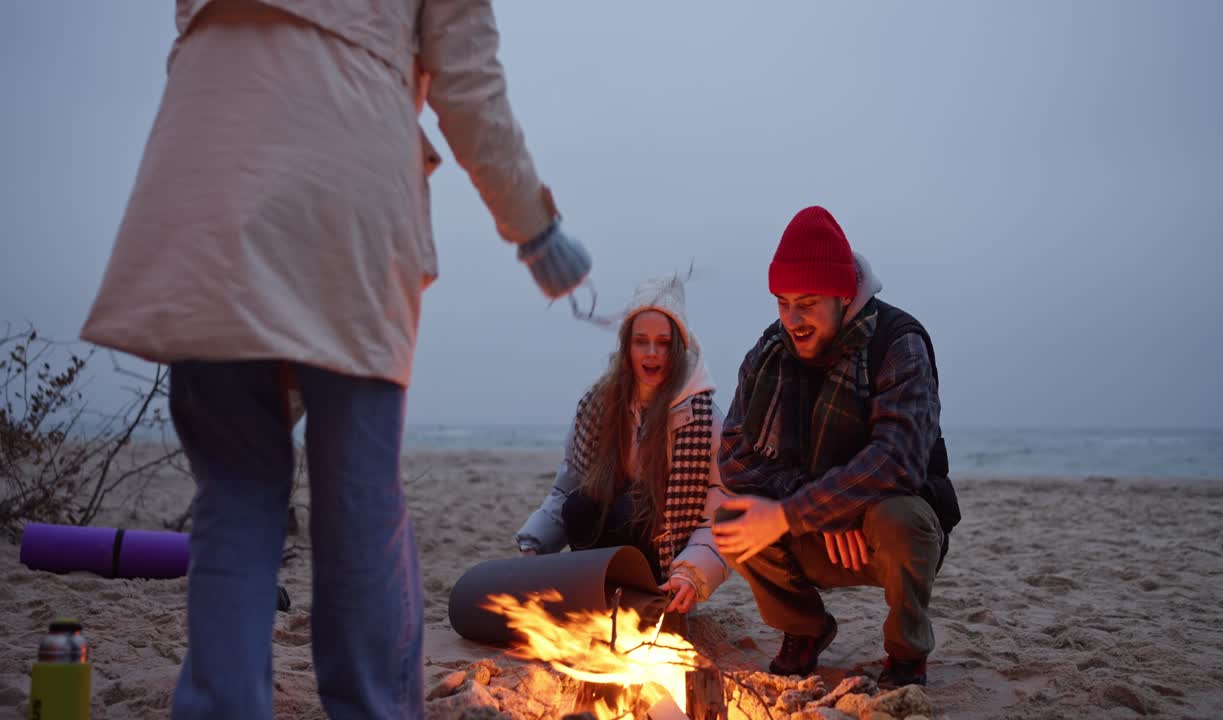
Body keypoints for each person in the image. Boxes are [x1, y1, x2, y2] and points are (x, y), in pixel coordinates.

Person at [80, 1, 591, 718]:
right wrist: (535, 229)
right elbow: (469, 85)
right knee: (359, 497)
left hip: (206, 175)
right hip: (346, 201)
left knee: (233, 491)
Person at [712, 206, 959, 688]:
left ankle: (907, 652)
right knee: (732, 518)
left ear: (844, 295)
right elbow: (735, 453)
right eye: (782, 303)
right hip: (820, 531)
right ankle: (805, 629)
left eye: (807, 302)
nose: (793, 319)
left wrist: (791, 513)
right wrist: (813, 505)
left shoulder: (898, 343)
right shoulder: (770, 353)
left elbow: (896, 463)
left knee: (899, 516)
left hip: (889, 535)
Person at [517, 275, 731, 616]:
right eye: (640, 341)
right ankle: (596, 593)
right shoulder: (598, 406)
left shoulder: (703, 419)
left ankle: (647, 600)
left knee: (631, 510)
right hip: (604, 548)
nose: (651, 353)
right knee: (581, 505)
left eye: (662, 342)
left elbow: (718, 517)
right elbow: (565, 489)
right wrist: (535, 546)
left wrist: (692, 574)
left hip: (666, 561)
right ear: (626, 347)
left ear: (677, 348)